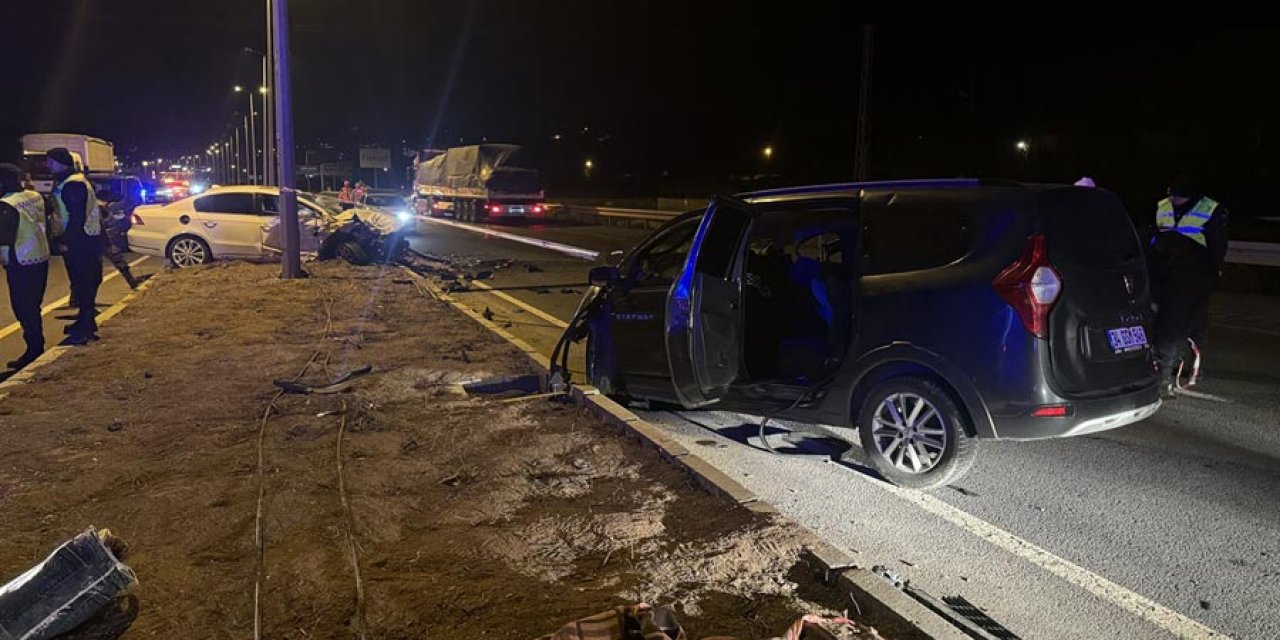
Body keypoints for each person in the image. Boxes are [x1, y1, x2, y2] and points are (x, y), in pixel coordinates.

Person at [1148, 175, 1229, 396]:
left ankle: (1168, 377)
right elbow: (1153, 236)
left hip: (1194, 277)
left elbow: (1217, 246)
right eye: (1171, 195)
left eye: (1178, 197)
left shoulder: (1210, 209)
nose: (1173, 200)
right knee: (1174, 326)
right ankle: (1175, 370)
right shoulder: (1162, 206)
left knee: (1179, 328)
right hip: (1166, 276)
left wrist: (1213, 275)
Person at [46, 147, 102, 346]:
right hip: (85, 239)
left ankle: (86, 324)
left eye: (51, 161)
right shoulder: (72, 181)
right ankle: (84, 321)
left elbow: (76, 217)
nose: (48, 165)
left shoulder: (72, 184)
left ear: (60, 162)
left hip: (80, 241)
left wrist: (66, 241)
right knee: (81, 282)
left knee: (83, 281)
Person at [0, 163, 51, 369]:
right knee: (33, 306)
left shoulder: (6, 204)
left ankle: (34, 348)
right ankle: (36, 345)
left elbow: (5, 238)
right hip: (40, 256)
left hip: (21, 261)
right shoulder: (34, 196)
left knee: (23, 308)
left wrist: (5, 262)